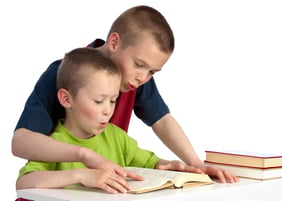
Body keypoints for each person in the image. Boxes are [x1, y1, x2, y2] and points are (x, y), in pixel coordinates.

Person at [12, 5, 239, 183]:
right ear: (114, 42)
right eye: (139, 64)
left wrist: (195, 163)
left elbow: (161, 120)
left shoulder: (133, 77)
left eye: (152, 71)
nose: (143, 78)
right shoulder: (65, 73)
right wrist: (83, 157)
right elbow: (21, 142)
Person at [16, 47, 204, 194]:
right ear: (66, 99)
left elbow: (153, 164)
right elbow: (24, 182)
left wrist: (174, 166)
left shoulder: (117, 138)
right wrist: (81, 175)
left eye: (113, 100)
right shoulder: (54, 143)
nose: (108, 110)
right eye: (99, 101)